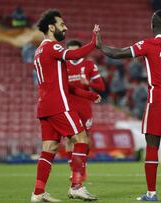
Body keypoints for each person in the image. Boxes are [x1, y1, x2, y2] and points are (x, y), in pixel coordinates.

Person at [96, 9, 161, 202]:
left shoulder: (149, 44)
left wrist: (101, 46)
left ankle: (151, 193)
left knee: (152, 145)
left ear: (152, 25)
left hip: (157, 99)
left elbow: (119, 53)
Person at [30, 9, 100, 202]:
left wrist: (88, 94)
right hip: (59, 104)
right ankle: (76, 186)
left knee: (50, 148)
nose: (65, 27)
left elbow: (62, 83)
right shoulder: (52, 47)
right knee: (82, 138)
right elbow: (75, 53)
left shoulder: (38, 51)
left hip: (44, 106)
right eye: (62, 24)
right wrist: (94, 42)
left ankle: (38, 192)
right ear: (51, 27)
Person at [65, 39, 105, 182]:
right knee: (69, 138)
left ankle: (83, 168)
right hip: (68, 106)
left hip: (84, 107)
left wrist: (88, 83)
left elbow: (101, 87)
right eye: (71, 51)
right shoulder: (63, 65)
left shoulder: (89, 65)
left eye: (76, 50)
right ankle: (75, 172)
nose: (74, 54)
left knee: (85, 139)